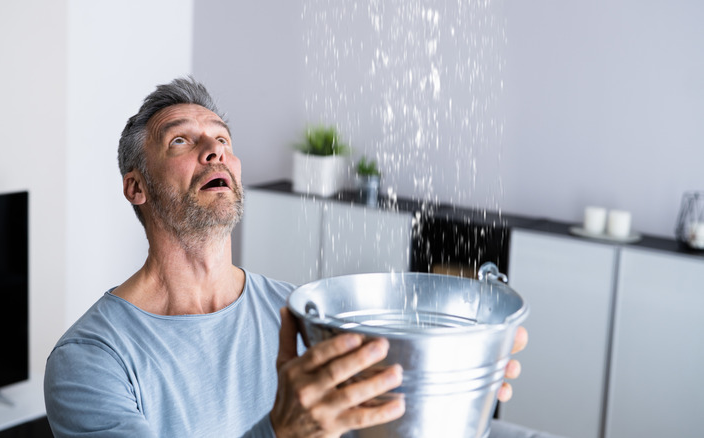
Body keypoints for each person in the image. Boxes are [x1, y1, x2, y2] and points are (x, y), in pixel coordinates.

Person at [44, 77, 535, 438]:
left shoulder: (298, 314)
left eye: (222, 139)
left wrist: (449, 388)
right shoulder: (91, 360)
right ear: (136, 187)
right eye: (180, 140)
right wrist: (282, 431)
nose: (214, 151)